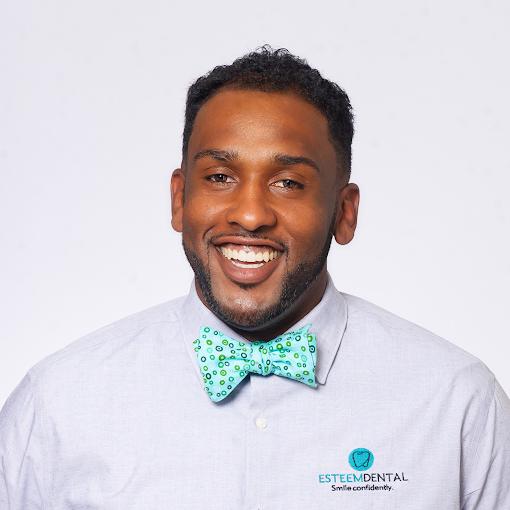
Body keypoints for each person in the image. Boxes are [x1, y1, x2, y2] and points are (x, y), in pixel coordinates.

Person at [1, 46, 509, 510]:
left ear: (344, 212)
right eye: (220, 177)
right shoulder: (59, 403)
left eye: (288, 183)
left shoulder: (457, 403)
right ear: (179, 199)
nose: (249, 215)